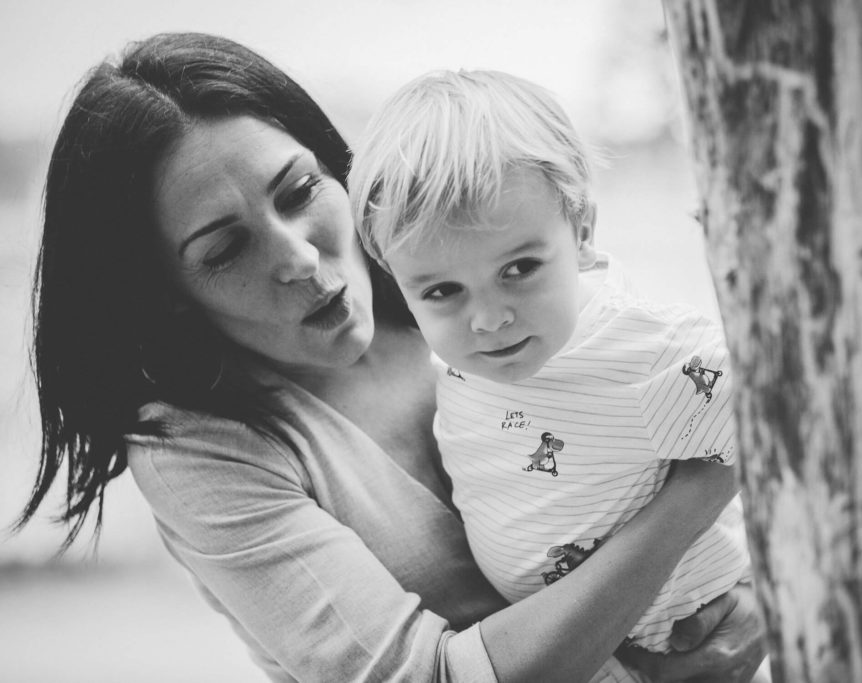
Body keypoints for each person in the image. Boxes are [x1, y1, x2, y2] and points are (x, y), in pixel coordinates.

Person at [17, 32, 767, 682]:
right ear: (169, 293)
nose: (302, 258)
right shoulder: (199, 449)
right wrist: (698, 491)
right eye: (225, 249)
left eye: (300, 188)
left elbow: (682, 410)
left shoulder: (460, 275)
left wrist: (753, 602)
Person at [349, 68, 757, 659]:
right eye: (442, 291)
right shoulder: (462, 360)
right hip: (574, 649)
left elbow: (782, 416)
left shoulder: (643, 354)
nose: (488, 319)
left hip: (683, 645)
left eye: (519, 269)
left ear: (582, 230)